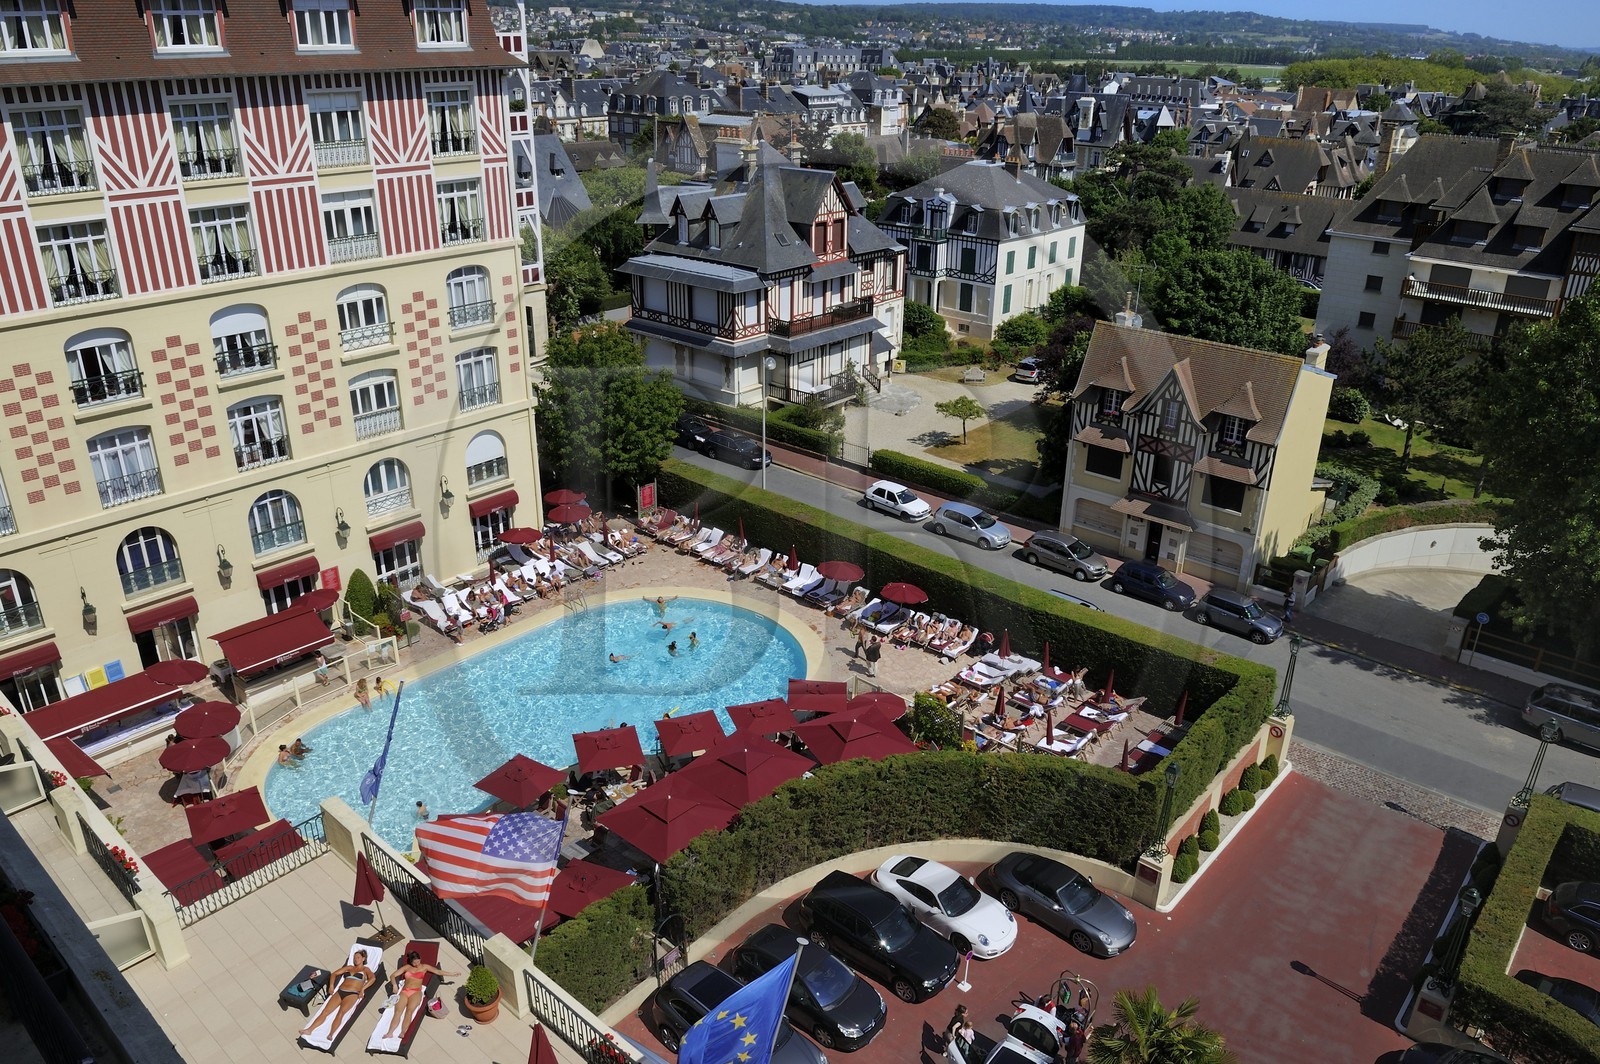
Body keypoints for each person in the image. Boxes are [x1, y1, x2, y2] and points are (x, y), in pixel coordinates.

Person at [382, 950, 460, 1040]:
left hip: (416, 992)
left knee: (409, 1011)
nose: (417, 964)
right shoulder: (407, 967)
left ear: (420, 959)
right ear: (411, 962)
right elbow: (393, 975)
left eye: (418, 961)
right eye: (414, 962)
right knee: (397, 1012)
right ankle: (390, 1033)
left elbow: (438, 972)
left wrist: (452, 974)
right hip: (405, 991)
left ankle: (403, 1032)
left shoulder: (424, 967)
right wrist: (395, 985)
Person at [298, 949, 375, 1037]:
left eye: (358, 957)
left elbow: (373, 979)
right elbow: (334, 974)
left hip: (352, 994)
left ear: (363, 959)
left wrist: (363, 989)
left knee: (341, 1013)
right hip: (340, 991)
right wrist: (331, 986)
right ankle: (309, 1030)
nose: (356, 959)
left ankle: (331, 1034)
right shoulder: (349, 967)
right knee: (325, 1011)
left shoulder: (365, 970)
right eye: (354, 958)